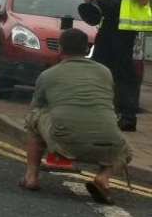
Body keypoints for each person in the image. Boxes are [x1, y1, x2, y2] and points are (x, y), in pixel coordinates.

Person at [21, 28, 131, 205]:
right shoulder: (105, 72)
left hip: (66, 140)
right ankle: (104, 177)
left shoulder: (48, 75)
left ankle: (31, 176)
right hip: (108, 143)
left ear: (60, 49)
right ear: (87, 49)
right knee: (125, 148)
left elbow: (36, 107)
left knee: (34, 118)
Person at [85, 0, 152, 132]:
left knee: (124, 73)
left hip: (125, 29)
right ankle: (100, 112)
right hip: (108, 26)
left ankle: (128, 117)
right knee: (99, 67)